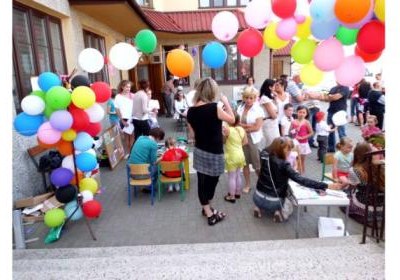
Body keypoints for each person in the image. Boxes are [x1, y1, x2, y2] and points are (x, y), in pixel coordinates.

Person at [253, 137, 342, 222]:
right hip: (273, 202)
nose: (289, 152)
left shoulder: (264, 154)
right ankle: (278, 212)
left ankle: (258, 207)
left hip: (257, 197)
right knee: (290, 195)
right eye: (288, 150)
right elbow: (302, 180)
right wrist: (326, 185)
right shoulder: (284, 165)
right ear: (280, 149)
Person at [186, 77, 235, 226]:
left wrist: (212, 129)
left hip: (200, 150)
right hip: (214, 152)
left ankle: (206, 208)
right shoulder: (215, 107)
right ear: (212, 92)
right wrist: (226, 102)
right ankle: (210, 214)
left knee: (202, 182)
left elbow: (193, 135)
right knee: (212, 182)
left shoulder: (191, 111)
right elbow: (232, 120)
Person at [342, 142, 384, 221]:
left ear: (356, 154)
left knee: (345, 197)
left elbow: (351, 187)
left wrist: (343, 185)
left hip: (365, 205)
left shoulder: (355, 170)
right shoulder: (379, 166)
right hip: (382, 205)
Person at [237, 87, 264, 194]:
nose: (248, 100)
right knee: (245, 163)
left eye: (251, 98)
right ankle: (248, 185)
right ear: (243, 97)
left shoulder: (258, 109)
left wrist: (242, 126)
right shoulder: (240, 107)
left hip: (254, 140)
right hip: (242, 139)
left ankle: (263, 184)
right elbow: (236, 123)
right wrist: (248, 126)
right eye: (246, 97)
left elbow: (257, 127)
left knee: (257, 165)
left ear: (255, 98)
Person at [309, 82, 350, 152]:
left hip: (340, 113)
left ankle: (345, 149)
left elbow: (335, 97)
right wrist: (330, 97)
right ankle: (331, 148)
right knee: (330, 130)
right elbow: (326, 99)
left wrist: (331, 96)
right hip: (331, 111)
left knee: (341, 132)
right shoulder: (333, 88)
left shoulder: (345, 88)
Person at [128, 127, 165, 192]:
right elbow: (154, 162)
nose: (158, 141)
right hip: (142, 174)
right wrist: (162, 157)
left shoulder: (140, 138)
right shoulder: (153, 144)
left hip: (131, 172)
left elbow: (142, 154)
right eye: (159, 139)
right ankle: (149, 187)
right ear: (158, 137)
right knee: (158, 167)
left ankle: (147, 185)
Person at [222, 112, 248, 203]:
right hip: (240, 154)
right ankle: (238, 193)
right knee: (238, 174)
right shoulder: (241, 129)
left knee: (231, 177)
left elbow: (224, 141)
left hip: (232, 155)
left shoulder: (228, 130)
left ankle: (231, 196)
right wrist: (237, 145)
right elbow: (245, 142)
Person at [289, 105, 313, 174]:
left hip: (303, 144)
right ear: (297, 112)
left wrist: (303, 137)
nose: (302, 114)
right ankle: (295, 174)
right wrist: (294, 130)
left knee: (301, 161)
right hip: (295, 144)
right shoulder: (293, 122)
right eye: (300, 112)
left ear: (306, 114)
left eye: (303, 112)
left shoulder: (306, 122)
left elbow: (311, 133)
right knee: (295, 159)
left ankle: (301, 175)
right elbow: (290, 133)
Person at [114, 80, 134, 157]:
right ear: (122, 87)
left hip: (132, 118)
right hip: (124, 118)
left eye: (129, 87)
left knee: (132, 136)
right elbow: (117, 109)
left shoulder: (132, 95)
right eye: (126, 87)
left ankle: (132, 152)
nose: (128, 88)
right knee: (126, 137)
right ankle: (128, 152)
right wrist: (122, 120)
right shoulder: (118, 97)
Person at [259, 78, 279, 148]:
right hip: (269, 123)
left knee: (275, 143)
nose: (275, 88)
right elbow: (273, 115)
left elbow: (276, 110)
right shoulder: (265, 98)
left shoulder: (269, 97)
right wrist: (276, 113)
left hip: (272, 123)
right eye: (274, 86)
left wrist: (276, 99)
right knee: (271, 144)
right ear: (270, 87)